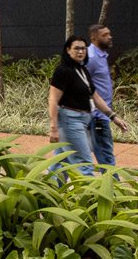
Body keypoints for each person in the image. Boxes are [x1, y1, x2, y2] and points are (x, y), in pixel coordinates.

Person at [47, 37, 102, 174]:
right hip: (70, 120)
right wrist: (53, 128)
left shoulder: (83, 70)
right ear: (68, 50)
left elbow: (95, 96)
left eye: (83, 48)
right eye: (76, 48)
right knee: (84, 164)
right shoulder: (63, 71)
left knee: (61, 162)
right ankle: (89, 195)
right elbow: (53, 99)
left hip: (83, 120)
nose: (80, 51)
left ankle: (50, 191)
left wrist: (113, 117)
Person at [85, 23, 125, 166]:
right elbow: (83, 85)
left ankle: (56, 180)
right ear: (94, 38)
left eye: (109, 34)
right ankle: (111, 187)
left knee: (76, 154)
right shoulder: (91, 58)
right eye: (105, 35)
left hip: (100, 115)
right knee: (107, 157)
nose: (109, 37)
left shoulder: (100, 55)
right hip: (97, 116)